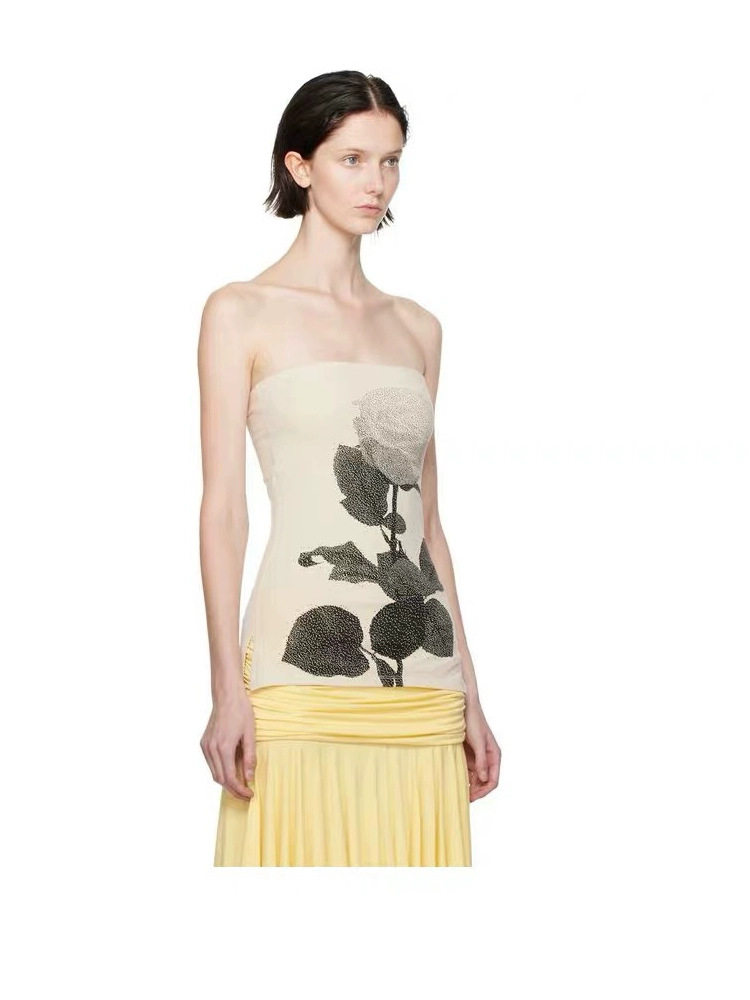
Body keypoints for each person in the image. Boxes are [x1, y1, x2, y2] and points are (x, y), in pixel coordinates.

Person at [198, 70, 501, 866]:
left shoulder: (417, 329)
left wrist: (471, 693)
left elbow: (428, 525)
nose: (377, 183)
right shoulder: (239, 312)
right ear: (299, 167)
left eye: (391, 161)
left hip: (422, 677)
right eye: (353, 159)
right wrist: (226, 687)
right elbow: (224, 511)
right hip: (296, 671)